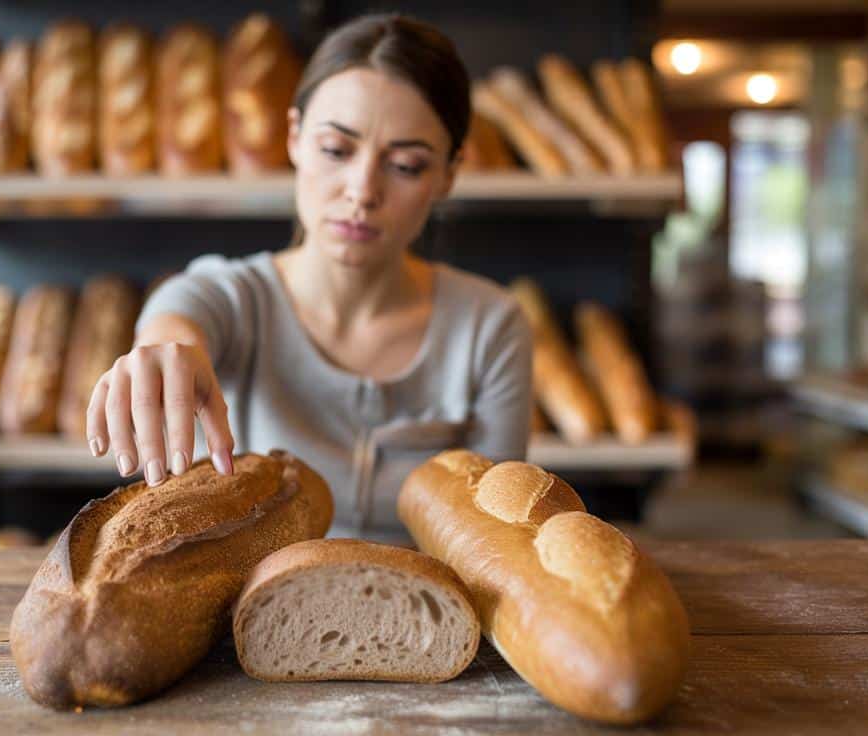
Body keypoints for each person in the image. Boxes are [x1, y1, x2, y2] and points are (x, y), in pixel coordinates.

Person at [87, 13, 533, 542]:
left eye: (407, 165)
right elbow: (178, 317)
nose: (362, 190)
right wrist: (164, 350)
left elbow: (495, 537)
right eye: (336, 150)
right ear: (295, 138)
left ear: (449, 174)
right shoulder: (230, 297)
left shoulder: (490, 327)